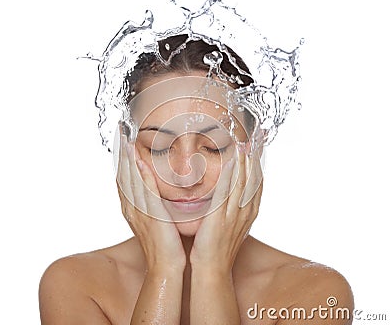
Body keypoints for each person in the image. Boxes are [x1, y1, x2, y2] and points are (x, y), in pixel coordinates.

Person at [39, 35, 354, 324]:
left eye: (212, 147)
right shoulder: (74, 284)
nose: (187, 174)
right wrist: (164, 270)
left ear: (255, 148)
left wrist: (210, 272)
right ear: (126, 151)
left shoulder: (316, 293)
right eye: (159, 148)